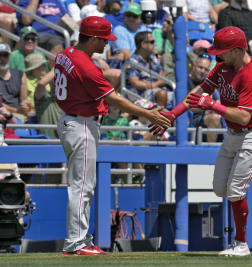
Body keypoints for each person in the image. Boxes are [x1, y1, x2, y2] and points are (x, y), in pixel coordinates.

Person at [150, 26, 252, 256]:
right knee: (220, 189)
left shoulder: (251, 75)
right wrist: (172, 115)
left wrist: (213, 105)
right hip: (233, 134)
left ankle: (241, 244)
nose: (217, 55)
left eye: (222, 51)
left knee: (235, 191)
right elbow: (199, 92)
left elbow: (244, 116)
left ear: (237, 50)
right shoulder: (223, 67)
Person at [55, 16, 170, 255]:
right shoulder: (86, 66)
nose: (108, 44)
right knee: (82, 187)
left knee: (83, 185)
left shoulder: (65, 53)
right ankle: (76, 242)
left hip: (72, 119)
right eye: (104, 39)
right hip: (81, 124)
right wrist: (148, 114)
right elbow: (114, 99)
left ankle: (81, 240)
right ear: (93, 38)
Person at [127, 31, 172, 108]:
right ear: (143, 44)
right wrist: (157, 84)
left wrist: (157, 84)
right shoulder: (133, 61)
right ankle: (160, 119)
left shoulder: (153, 58)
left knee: (182, 95)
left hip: (159, 90)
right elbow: (136, 83)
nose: (155, 44)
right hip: (141, 95)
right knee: (162, 94)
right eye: (152, 42)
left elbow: (162, 76)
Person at [188, 56, 222, 142]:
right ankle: (210, 151)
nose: (203, 71)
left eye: (206, 70)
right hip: (191, 118)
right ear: (194, 66)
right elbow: (187, 105)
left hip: (207, 117)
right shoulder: (184, 82)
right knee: (214, 119)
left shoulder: (209, 84)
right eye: (200, 67)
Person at [0, 43, 29, 119]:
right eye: (0, 55)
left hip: (17, 115)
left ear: (9, 57)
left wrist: (24, 107)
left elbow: (24, 100)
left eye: (5, 55)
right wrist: (16, 110)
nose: (2, 59)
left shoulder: (20, 74)